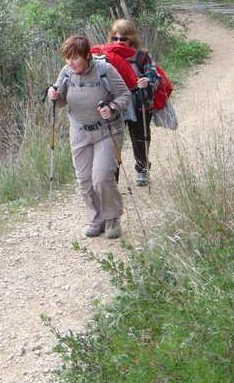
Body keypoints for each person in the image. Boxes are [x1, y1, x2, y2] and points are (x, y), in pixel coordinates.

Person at [47, 35, 131, 239]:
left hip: (106, 131)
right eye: (67, 58)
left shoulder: (105, 70)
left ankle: (112, 217)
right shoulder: (66, 72)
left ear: (87, 56)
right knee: (85, 180)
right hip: (79, 133)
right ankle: (96, 219)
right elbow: (60, 101)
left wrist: (112, 107)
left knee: (101, 178)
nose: (70, 63)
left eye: (75, 58)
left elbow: (125, 95)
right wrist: (54, 96)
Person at [103, 19, 160, 187]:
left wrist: (147, 81)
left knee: (140, 138)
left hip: (139, 103)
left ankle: (142, 169)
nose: (119, 42)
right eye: (115, 38)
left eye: (123, 39)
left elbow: (156, 78)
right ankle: (112, 178)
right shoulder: (106, 55)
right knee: (112, 140)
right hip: (117, 103)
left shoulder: (142, 56)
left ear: (131, 39)